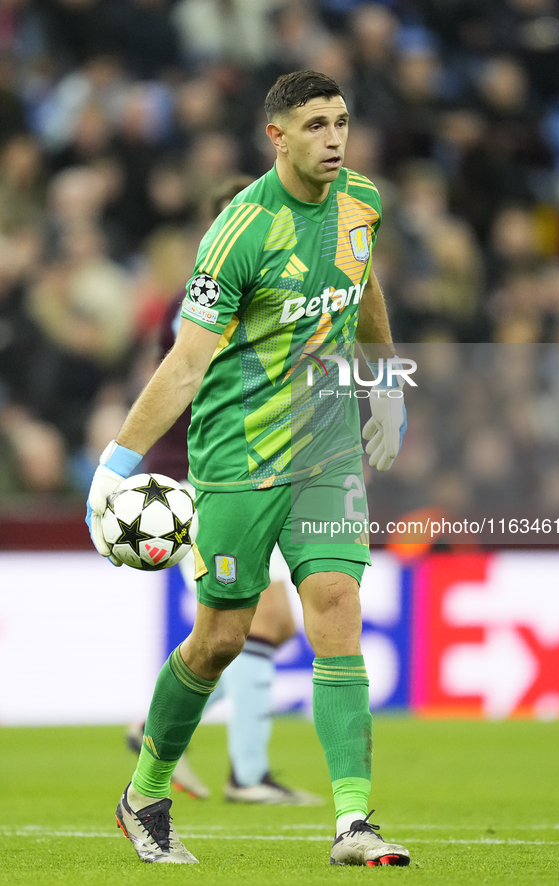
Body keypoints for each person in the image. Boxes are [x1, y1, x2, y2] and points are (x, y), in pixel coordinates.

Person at [87, 70, 409, 867]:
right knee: (221, 639)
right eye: (314, 125)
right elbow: (187, 363)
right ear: (277, 136)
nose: (334, 138)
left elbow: (362, 286)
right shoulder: (238, 232)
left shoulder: (361, 201)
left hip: (325, 446)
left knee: (333, 601)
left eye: (340, 121)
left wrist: (386, 383)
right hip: (236, 454)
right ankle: (146, 793)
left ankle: (352, 821)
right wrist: (114, 464)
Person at [128, 182, 324, 804]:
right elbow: (206, 376)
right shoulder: (206, 302)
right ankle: (245, 774)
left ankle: (187, 745)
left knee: (271, 625)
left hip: (244, 470)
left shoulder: (251, 295)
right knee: (250, 621)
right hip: (199, 475)